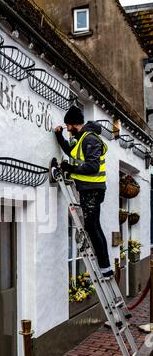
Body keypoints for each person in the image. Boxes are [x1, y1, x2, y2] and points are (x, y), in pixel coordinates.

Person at [51, 105, 113, 278]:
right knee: (95, 226)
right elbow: (70, 151)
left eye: (67, 126)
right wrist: (58, 136)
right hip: (89, 189)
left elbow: (92, 166)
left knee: (92, 227)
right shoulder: (81, 138)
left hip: (92, 189)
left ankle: (105, 267)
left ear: (72, 124)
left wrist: (69, 167)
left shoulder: (89, 139)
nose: (67, 129)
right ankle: (106, 266)